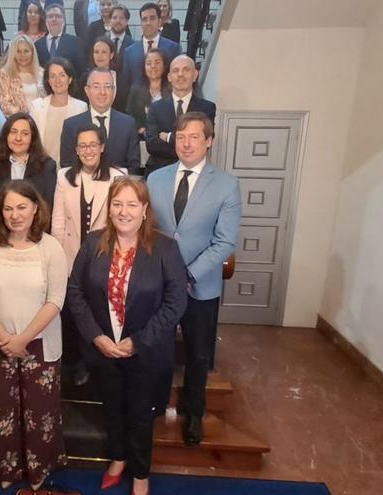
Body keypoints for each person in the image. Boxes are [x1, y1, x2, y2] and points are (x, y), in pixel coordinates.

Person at [67, 177, 187, 495]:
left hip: (145, 352)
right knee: (112, 407)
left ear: (145, 209)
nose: (124, 211)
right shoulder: (93, 243)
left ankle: (140, 473)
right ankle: (118, 458)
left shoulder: (166, 248)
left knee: (140, 415)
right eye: (117, 204)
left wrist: (138, 341)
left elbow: (176, 302)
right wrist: (96, 337)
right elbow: (75, 291)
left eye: (132, 204)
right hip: (103, 349)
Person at [147, 112, 241, 447]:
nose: (186, 143)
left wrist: (188, 273)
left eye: (194, 137)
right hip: (157, 284)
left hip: (200, 286)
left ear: (209, 141)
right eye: (181, 136)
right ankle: (156, 406)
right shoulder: (155, 178)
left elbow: (225, 241)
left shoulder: (227, 184)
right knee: (156, 347)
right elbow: (147, 230)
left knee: (199, 354)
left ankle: (194, 414)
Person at [0, 180, 68, 494]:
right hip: (0, 345)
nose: (15, 215)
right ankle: (8, 468)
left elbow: (56, 299)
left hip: (40, 345)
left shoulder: (50, 247)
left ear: (36, 208)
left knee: (41, 412)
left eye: (21, 207)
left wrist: (23, 338)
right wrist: (5, 338)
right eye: (8, 208)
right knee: (3, 412)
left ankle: (39, 469)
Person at [52, 124, 126, 386]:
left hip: (102, 256)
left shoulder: (118, 176)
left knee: (97, 311)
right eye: (82, 145)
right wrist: (59, 260)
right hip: (70, 255)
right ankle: (73, 363)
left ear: (102, 147)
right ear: (76, 149)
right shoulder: (64, 177)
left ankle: (92, 363)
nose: (87, 150)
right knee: (71, 312)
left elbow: (119, 221)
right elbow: (59, 221)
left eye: (92, 145)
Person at [144, 54, 216, 176]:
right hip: (159, 171)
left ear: (195, 75)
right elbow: (152, 145)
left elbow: (203, 145)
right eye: (175, 71)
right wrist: (189, 147)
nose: (180, 75)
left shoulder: (207, 108)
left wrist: (168, 137)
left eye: (186, 70)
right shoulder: (156, 107)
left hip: (194, 172)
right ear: (169, 77)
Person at [60, 68, 141, 175]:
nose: (102, 92)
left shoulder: (128, 124)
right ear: (87, 91)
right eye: (96, 86)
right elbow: (67, 166)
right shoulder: (71, 126)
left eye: (107, 87)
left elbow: (134, 166)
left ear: (114, 90)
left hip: (118, 188)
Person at [0, 113, 58, 221]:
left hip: (35, 232)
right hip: (1, 231)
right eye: (13, 132)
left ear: (32, 138)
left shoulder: (47, 166)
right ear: (6, 135)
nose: (18, 138)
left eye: (25, 133)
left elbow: (47, 207)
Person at [29, 57, 88, 164]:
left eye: (62, 75)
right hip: (41, 166)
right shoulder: (37, 106)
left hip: (70, 167)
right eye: (52, 76)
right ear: (48, 81)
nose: (57, 80)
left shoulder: (81, 107)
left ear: (70, 79)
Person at [120, 3, 180, 98]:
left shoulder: (173, 49)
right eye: (144, 19)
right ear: (140, 23)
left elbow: (177, 80)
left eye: (152, 18)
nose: (148, 22)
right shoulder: (129, 52)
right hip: (136, 107)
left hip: (165, 103)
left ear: (159, 21)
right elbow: (126, 84)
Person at [36, 3, 87, 86]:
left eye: (58, 16)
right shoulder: (37, 45)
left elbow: (81, 72)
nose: (54, 19)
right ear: (46, 21)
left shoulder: (76, 43)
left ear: (64, 21)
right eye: (50, 16)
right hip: (44, 93)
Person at [125, 48, 170, 137]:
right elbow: (129, 115)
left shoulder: (172, 90)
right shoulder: (136, 90)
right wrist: (140, 128)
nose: (153, 66)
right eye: (148, 63)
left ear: (164, 66)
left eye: (157, 62)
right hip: (141, 139)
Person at [0, 35, 47, 116]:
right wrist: (26, 117)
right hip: (17, 122)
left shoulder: (41, 73)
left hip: (40, 120)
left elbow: (46, 100)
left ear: (32, 52)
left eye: (26, 51)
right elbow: (5, 105)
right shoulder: (5, 74)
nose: (22, 55)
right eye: (18, 51)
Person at [108, 3, 135, 110]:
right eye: (115, 17)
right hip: (103, 94)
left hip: (125, 100)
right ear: (110, 20)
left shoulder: (133, 45)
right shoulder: (100, 42)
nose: (118, 21)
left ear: (127, 21)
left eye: (122, 18)